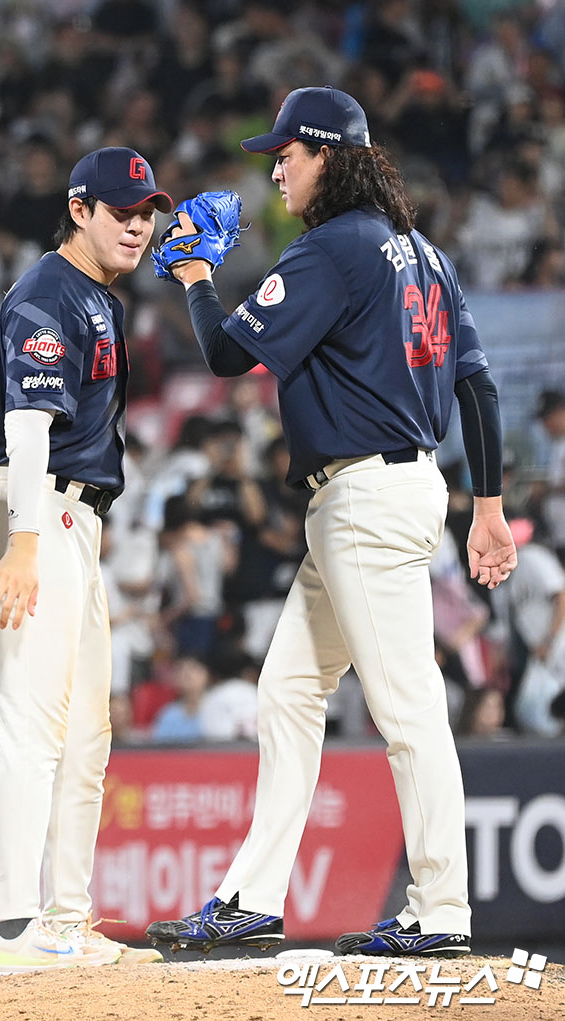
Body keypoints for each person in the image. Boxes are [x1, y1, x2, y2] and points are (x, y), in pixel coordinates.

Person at [145, 87, 518, 959]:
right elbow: (477, 383)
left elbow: (229, 353)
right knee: (288, 692)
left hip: (365, 499)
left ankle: (442, 908)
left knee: (408, 707)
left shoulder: (333, 246)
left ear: (331, 156)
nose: (276, 166)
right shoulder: (424, 253)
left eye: (289, 153)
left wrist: (199, 278)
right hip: (384, 492)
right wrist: (490, 506)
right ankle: (252, 896)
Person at [0, 146, 170, 974]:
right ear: (79, 210)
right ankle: (13, 928)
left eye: (146, 210)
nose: (138, 223)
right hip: (36, 505)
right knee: (34, 726)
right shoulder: (49, 289)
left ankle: (66, 915)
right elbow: (26, 424)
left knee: (88, 734)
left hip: (70, 517)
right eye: (122, 208)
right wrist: (24, 538)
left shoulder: (98, 298)